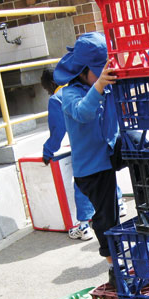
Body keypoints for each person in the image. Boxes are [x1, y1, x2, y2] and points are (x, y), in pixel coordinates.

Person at [53, 32, 121, 283]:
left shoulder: (104, 84)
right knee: (106, 218)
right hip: (91, 171)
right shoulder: (70, 94)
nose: (105, 75)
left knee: (140, 146)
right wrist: (100, 86)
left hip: (110, 154)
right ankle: (114, 266)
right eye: (99, 71)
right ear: (83, 71)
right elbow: (83, 113)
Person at [40, 69, 127, 241]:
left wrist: (47, 151)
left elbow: (57, 131)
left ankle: (84, 225)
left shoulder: (59, 97)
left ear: (51, 85)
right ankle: (119, 202)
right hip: (106, 148)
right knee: (105, 178)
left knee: (83, 184)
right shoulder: (92, 88)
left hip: (85, 155)